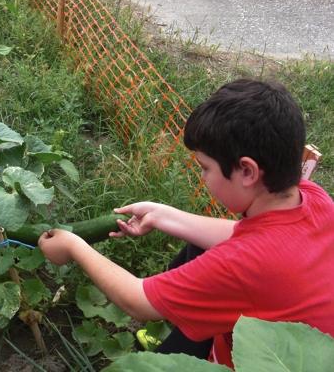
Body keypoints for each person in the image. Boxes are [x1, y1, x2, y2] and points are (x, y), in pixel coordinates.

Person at [38, 79, 334, 368]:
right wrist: (164, 215)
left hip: (252, 361)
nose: (203, 178)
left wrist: (73, 245)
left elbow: (137, 300)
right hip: (300, 344)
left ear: (247, 171)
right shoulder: (314, 199)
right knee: (199, 248)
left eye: (205, 168)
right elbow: (241, 237)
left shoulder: (243, 265)